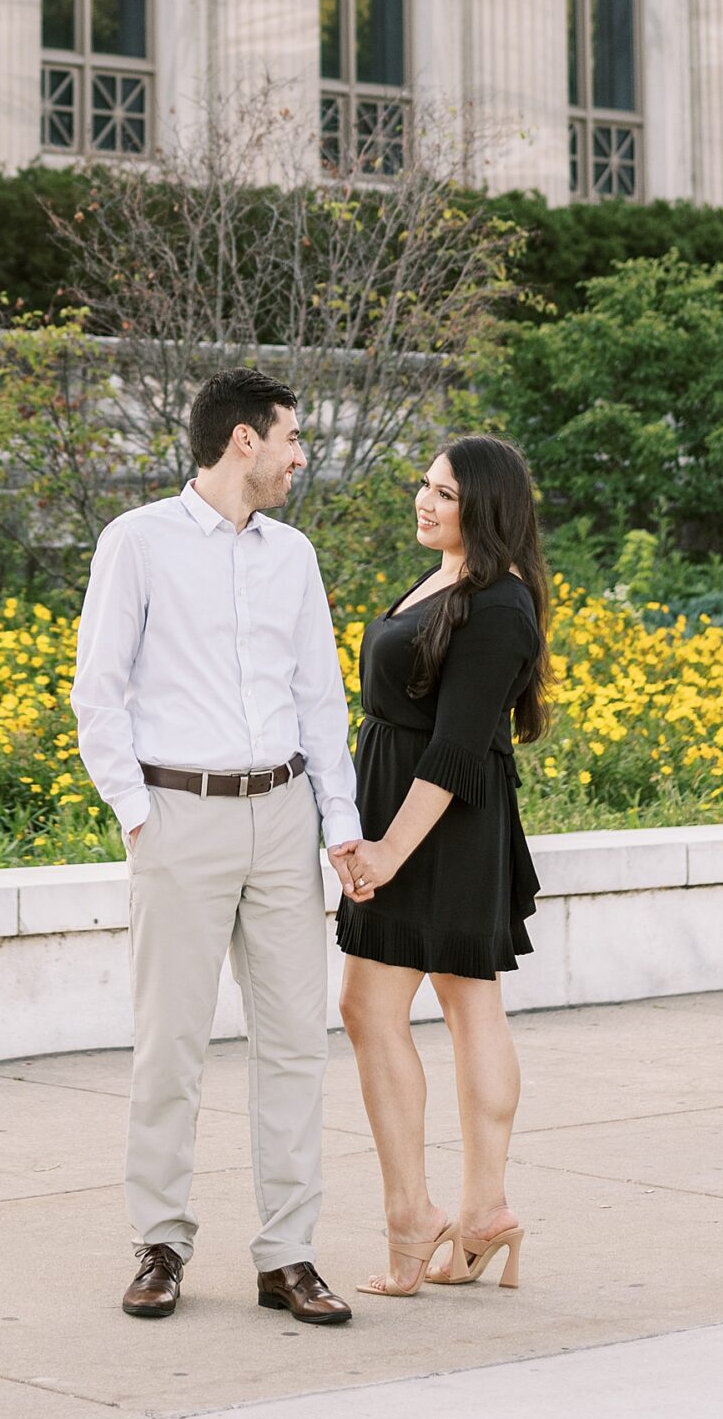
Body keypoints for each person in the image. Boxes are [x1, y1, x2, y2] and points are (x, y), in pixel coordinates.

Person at [71, 368, 363, 1326]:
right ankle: (159, 1242)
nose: (297, 454)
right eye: (289, 436)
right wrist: (134, 810)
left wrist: (340, 825)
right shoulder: (138, 542)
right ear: (244, 440)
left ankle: (288, 1255)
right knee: (171, 1045)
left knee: (294, 1047)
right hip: (178, 814)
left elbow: (321, 700)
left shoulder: (294, 555)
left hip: (279, 816)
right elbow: (97, 689)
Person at [334, 433, 549, 1298]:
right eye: (422, 486)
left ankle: (420, 1214)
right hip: (415, 808)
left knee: (384, 1004)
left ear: (486, 507)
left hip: (436, 819)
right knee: (464, 1003)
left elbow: (457, 749)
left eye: (445, 494)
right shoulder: (447, 576)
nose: (424, 502)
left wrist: (388, 848)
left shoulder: (500, 604)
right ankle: (479, 1211)